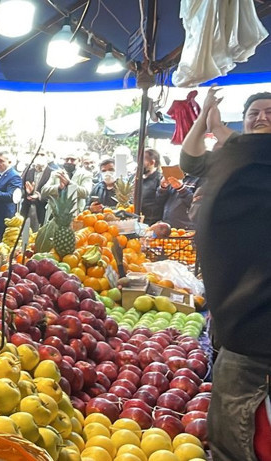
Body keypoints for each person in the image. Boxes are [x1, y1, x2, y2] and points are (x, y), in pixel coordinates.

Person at [179, 86, 271, 460]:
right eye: (254, 114)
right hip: (237, 334)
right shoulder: (234, 162)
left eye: (270, 113)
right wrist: (206, 120)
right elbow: (189, 160)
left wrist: (225, 133)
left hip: (258, 345)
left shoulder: (245, 161)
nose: (262, 118)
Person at [20, 154, 53, 231]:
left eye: (42, 154)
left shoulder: (52, 173)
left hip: (42, 208)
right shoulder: (28, 171)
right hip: (26, 207)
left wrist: (39, 196)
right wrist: (27, 193)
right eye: (38, 154)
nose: (40, 157)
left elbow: (54, 193)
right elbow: (21, 187)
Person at [140, 148, 164, 225]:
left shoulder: (160, 179)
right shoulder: (137, 178)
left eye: (142, 161)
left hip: (151, 222)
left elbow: (161, 200)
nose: (139, 164)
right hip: (137, 218)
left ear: (152, 162)